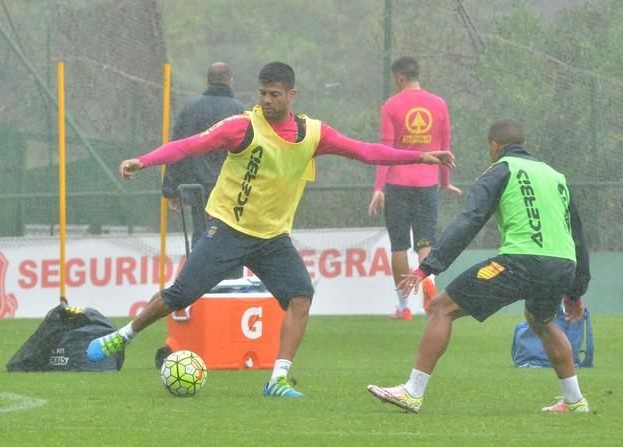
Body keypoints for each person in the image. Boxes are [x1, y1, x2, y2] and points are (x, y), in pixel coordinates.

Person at [87, 62, 455, 398]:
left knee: (300, 297)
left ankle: (277, 379)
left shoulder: (313, 133)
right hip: (228, 230)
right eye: (262, 93)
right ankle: (123, 336)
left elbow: (364, 151)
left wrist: (419, 156)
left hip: (273, 239)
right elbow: (189, 145)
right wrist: (145, 161)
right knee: (180, 295)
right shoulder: (241, 126)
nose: (266, 100)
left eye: (274, 94)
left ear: (291, 95)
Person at [367, 118, 591, 413]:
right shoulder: (555, 175)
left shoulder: (500, 170)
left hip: (521, 261)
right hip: (562, 265)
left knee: (440, 308)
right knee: (542, 322)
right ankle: (574, 401)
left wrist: (429, 266)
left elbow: (469, 221)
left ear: (494, 146)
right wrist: (575, 291)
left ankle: (412, 392)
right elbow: (577, 233)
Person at [367, 56, 462, 320]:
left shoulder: (391, 105)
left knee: (399, 246)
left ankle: (403, 307)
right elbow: (445, 147)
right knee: (425, 243)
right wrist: (444, 181)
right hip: (427, 183)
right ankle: (429, 290)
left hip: (397, 183)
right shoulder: (439, 104)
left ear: (399, 77)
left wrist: (379, 188)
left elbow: (385, 150)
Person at [162, 62, 244, 247]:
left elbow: (178, 147)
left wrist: (171, 190)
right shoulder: (240, 111)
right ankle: (233, 276)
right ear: (230, 81)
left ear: (207, 81)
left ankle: (201, 273)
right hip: (230, 187)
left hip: (197, 186)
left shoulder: (190, 109)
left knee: (201, 234)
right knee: (231, 235)